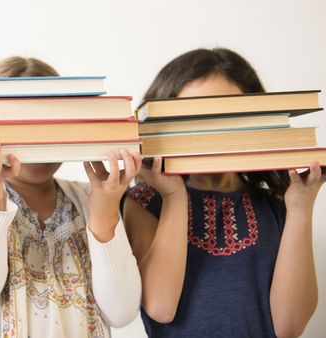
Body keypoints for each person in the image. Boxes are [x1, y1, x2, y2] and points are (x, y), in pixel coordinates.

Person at [122, 48, 324, 337]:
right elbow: (161, 307)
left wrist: (302, 208)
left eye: (228, 115)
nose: (210, 132)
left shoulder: (276, 205)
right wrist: (174, 196)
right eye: (193, 116)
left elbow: (289, 326)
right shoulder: (144, 202)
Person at [0, 56, 142, 337]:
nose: (37, 139)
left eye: (48, 125)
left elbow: (122, 312)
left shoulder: (92, 197)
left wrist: (105, 211)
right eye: (20, 127)